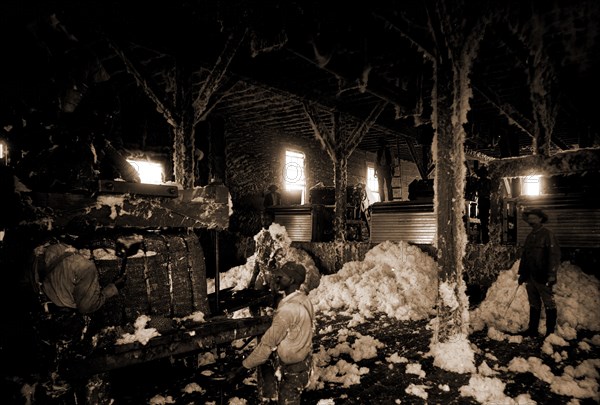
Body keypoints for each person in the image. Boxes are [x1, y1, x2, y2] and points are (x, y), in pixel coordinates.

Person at [229, 261, 315, 405]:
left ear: (292, 280)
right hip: (303, 362)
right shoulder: (304, 299)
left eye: (280, 277)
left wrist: (241, 369)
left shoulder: (287, 311)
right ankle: (270, 395)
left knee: (288, 400)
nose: (276, 279)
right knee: (268, 363)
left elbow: (266, 345)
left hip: (293, 370)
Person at [34, 241, 126, 314]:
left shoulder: (57, 248)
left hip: (41, 295)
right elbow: (86, 306)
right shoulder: (86, 267)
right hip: (59, 310)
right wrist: (113, 288)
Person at [517, 208, 561, 338]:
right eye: (530, 218)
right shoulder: (530, 236)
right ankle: (532, 330)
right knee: (534, 303)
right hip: (530, 277)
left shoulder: (548, 235)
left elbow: (554, 255)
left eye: (534, 218)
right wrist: (522, 274)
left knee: (549, 303)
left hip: (542, 276)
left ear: (541, 219)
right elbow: (525, 256)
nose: (531, 220)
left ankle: (550, 332)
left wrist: (552, 274)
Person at [375, 137, 394, 201]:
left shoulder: (389, 151)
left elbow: (392, 160)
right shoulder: (378, 151)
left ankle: (390, 199)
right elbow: (375, 161)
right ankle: (382, 200)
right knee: (380, 186)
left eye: (383, 144)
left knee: (389, 186)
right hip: (380, 169)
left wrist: (393, 169)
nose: (382, 146)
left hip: (387, 168)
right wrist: (375, 171)